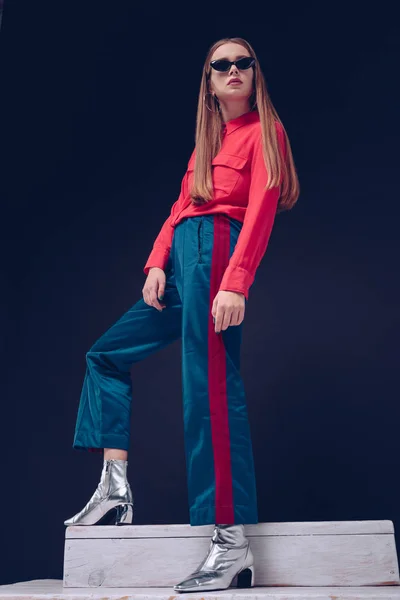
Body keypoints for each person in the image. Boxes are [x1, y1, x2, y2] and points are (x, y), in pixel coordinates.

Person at [64, 36, 299, 592]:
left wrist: (235, 282)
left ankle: (230, 543)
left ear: (254, 76)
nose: (235, 70)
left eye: (245, 62)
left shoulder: (266, 132)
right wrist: (155, 263)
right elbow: (179, 208)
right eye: (223, 65)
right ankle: (115, 487)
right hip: (183, 261)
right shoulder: (206, 143)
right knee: (105, 355)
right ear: (211, 82)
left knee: (209, 392)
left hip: (219, 255)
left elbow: (261, 211)